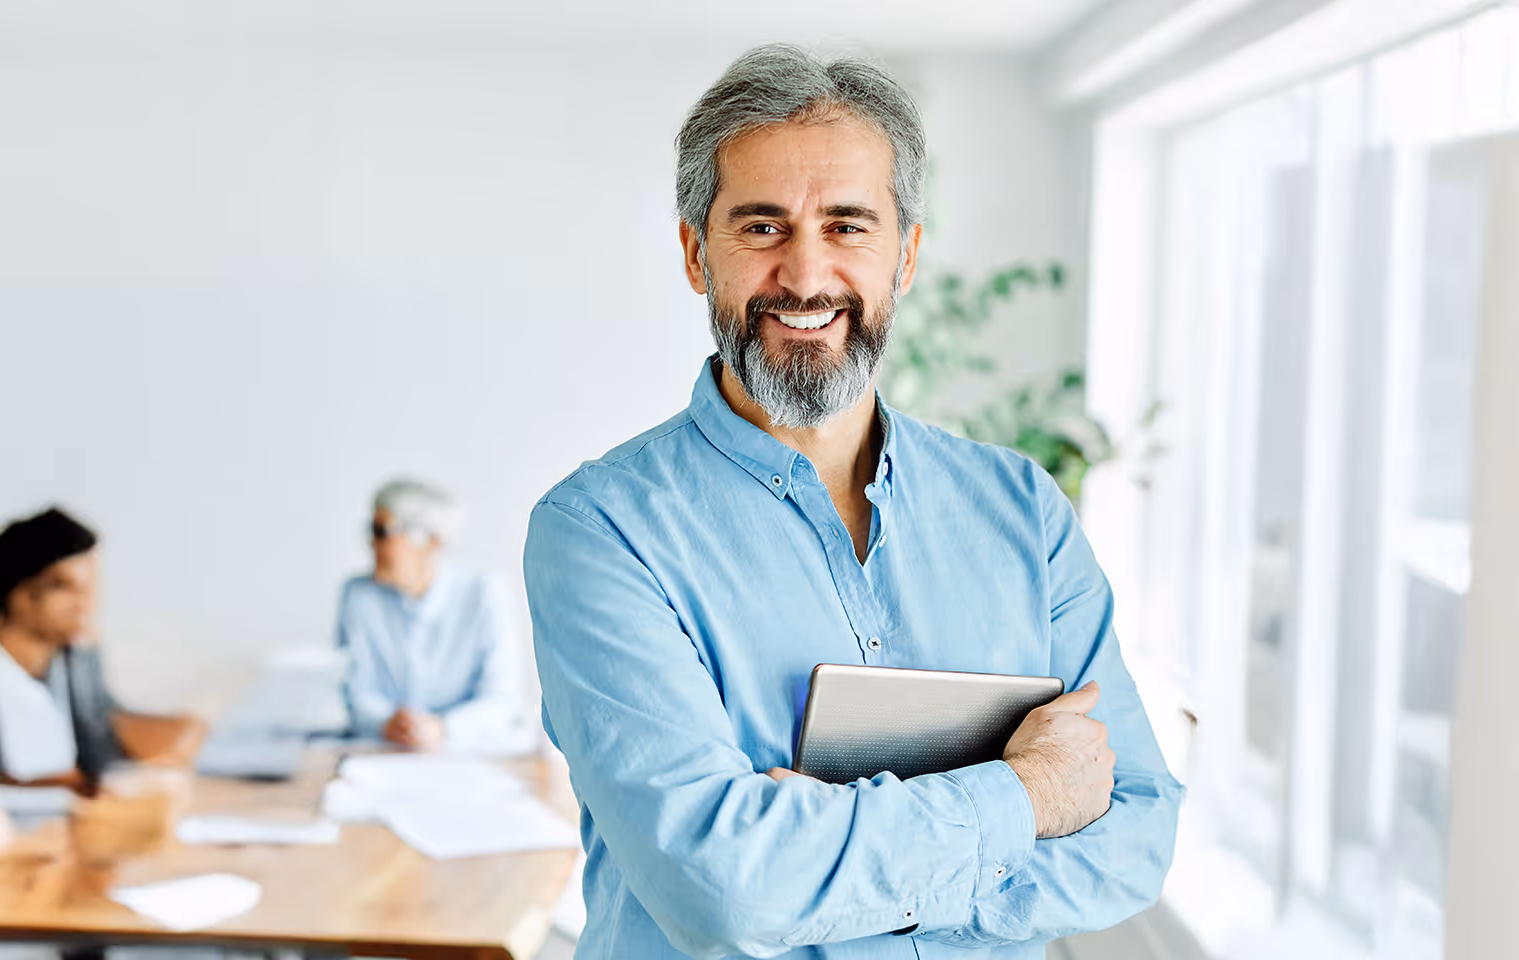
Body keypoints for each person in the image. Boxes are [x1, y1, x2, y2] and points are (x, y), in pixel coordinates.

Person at [523, 45, 1181, 959]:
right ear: (693, 254)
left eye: (846, 225)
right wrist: (1026, 798)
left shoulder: (1022, 511)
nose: (804, 276)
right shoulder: (599, 533)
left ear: (904, 254)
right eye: (760, 228)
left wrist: (823, 872)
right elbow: (724, 890)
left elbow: (1137, 832)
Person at [0, 507, 203, 794]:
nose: (86, 604)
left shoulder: (76, 661)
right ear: (17, 595)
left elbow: (103, 738)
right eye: (64, 587)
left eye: (91, 588)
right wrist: (51, 786)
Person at [335, 479, 532, 755]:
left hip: (469, 759)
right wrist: (385, 723)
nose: (371, 543)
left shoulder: (484, 594)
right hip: (384, 756)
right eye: (372, 530)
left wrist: (443, 728)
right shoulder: (358, 597)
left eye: (382, 532)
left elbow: (503, 700)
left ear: (430, 540)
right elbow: (355, 692)